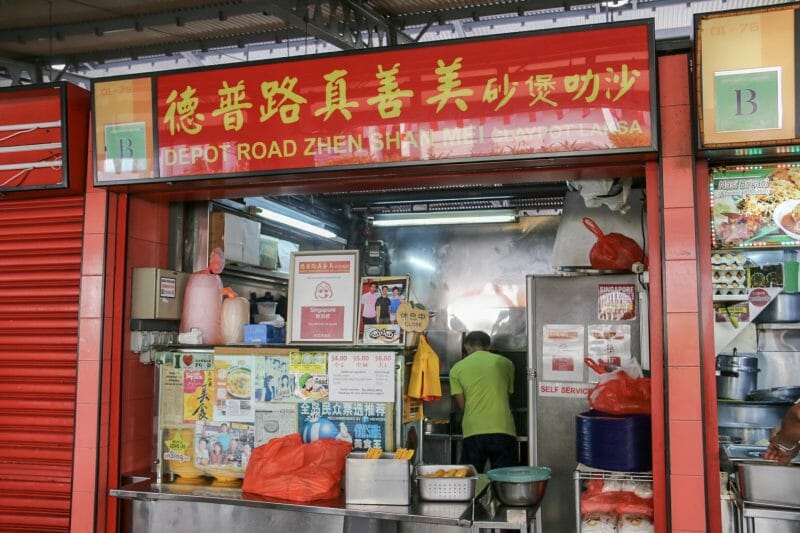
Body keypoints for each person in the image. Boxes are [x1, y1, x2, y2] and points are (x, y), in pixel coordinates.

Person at [449, 331, 517, 473]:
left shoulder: (456, 369)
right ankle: (498, 496)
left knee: (472, 477)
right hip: (503, 427)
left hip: (473, 429)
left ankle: (477, 496)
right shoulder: (506, 363)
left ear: (467, 347)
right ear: (488, 346)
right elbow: (507, 395)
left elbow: (462, 405)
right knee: (504, 478)